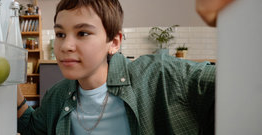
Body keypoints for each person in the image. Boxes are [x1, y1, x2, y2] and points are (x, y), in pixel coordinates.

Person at [17, 0, 233, 134]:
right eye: (60, 34)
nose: (65, 46)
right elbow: (33, 128)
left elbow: (237, 85)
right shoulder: (57, 95)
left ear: (115, 42)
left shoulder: (162, 75)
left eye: (83, 33)